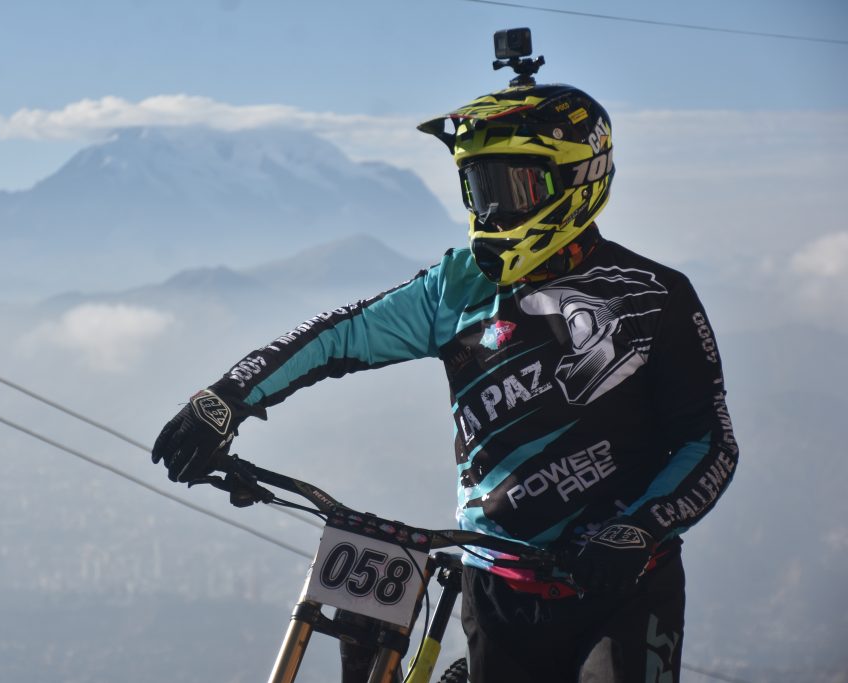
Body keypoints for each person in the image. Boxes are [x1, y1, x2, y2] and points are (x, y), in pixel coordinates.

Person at [151, 81, 738, 682]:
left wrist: (638, 530)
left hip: (622, 594)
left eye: (516, 187)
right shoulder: (457, 287)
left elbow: (709, 443)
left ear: (578, 179)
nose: (494, 210)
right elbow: (340, 334)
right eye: (481, 187)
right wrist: (226, 397)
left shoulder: (655, 296)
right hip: (497, 590)